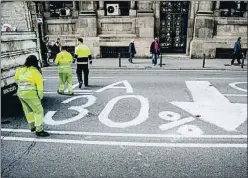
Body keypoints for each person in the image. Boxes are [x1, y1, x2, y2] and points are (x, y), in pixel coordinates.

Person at [14, 55, 49, 137]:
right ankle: (39, 130)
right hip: (31, 94)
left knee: (28, 110)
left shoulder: (20, 70)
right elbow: (40, 86)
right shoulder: (35, 71)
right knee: (38, 111)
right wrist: (40, 96)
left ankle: (32, 126)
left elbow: (16, 80)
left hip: (20, 93)